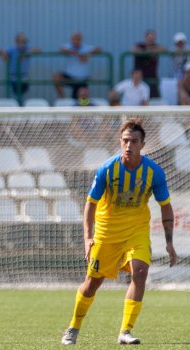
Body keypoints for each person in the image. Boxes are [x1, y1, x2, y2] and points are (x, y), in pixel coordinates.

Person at [61, 118, 177, 345]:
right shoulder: (107, 169)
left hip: (136, 230)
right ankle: (73, 327)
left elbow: (166, 206)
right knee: (92, 283)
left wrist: (169, 242)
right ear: (120, 141)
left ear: (142, 144)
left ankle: (125, 331)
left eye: (134, 141)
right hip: (107, 232)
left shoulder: (154, 172)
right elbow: (90, 204)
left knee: (140, 272)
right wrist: (88, 238)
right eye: (125, 140)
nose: (128, 145)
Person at [53, 32, 101, 99]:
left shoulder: (85, 47)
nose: (76, 41)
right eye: (74, 39)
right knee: (57, 77)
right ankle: (63, 99)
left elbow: (99, 49)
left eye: (78, 39)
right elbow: (62, 49)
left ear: (81, 40)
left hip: (82, 78)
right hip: (70, 76)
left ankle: (85, 107)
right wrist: (77, 55)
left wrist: (88, 55)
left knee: (81, 99)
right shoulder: (68, 46)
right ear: (71, 39)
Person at [0, 32, 41, 101]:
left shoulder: (27, 49)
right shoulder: (11, 49)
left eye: (24, 41)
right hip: (13, 77)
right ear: (16, 41)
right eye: (21, 40)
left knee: (23, 97)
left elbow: (38, 50)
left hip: (24, 77)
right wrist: (4, 54)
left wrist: (27, 53)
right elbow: (3, 53)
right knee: (12, 97)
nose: (22, 42)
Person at [133, 30, 166, 98]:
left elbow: (164, 49)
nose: (150, 40)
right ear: (145, 38)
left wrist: (153, 50)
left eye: (152, 38)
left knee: (154, 98)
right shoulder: (140, 45)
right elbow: (134, 49)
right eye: (149, 38)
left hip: (152, 78)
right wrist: (147, 52)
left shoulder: (156, 46)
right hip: (140, 78)